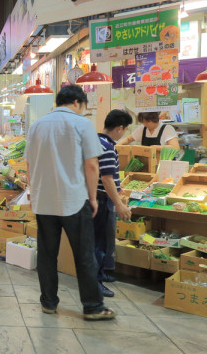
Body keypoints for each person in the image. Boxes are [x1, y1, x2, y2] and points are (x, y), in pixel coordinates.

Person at [25, 84, 116, 321]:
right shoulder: (82, 124)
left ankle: (48, 303)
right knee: (84, 255)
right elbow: (92, 165)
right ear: (77, 102)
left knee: (46, 254)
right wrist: (93, 198)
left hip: (44, 200)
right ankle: (93, 306)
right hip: (74, 199)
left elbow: (29, 165)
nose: (83, 111)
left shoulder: (37, 126)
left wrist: (34, 192)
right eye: (84, 106)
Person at [95, 110, 133, 298]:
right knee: (101, 243)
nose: (124, 133)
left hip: (93, 196)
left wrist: (117, 187)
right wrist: (119, 204)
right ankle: (96, 283)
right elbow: (107, 178)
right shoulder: (108, 147)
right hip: (102, 199)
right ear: (119, 128)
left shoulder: (94, 140)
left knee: (97, 242)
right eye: (125, 129)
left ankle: (97, 277)